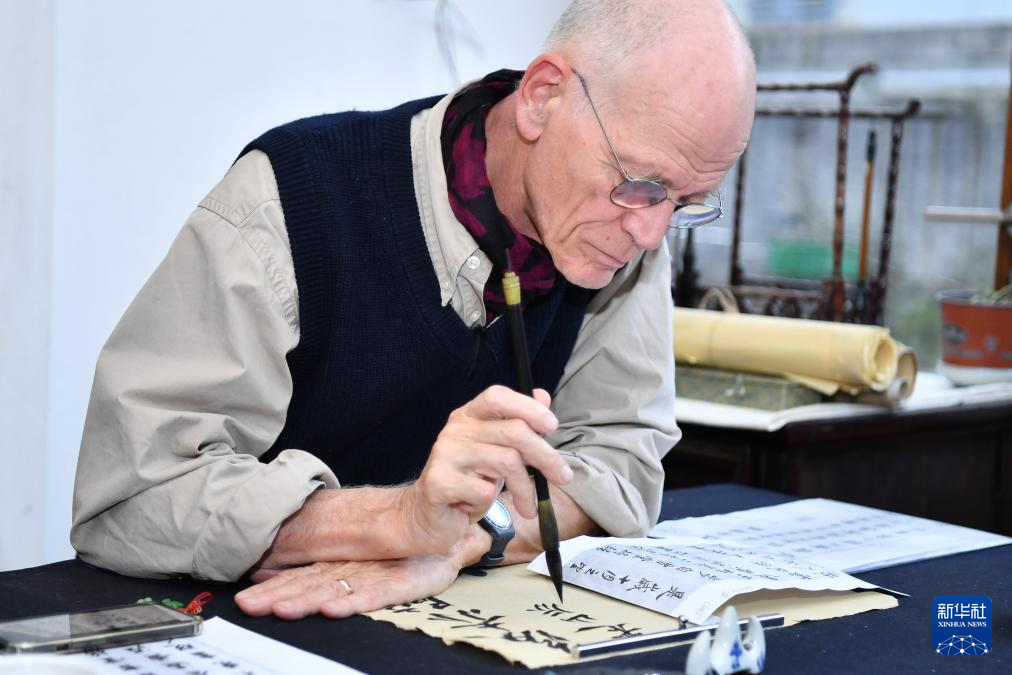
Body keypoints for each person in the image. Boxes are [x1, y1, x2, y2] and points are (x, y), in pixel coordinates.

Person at [71, 0, 755, 620]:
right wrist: (395, 522)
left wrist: (468, 534)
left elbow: (623, 466)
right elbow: (133, 495)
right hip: (242, 626)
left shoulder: (620, 234)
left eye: (687, 203)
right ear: (543, 97)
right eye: (640, 182)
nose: (651, 233)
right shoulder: (292, 199)